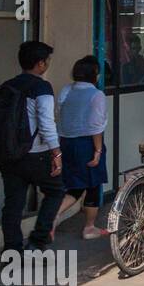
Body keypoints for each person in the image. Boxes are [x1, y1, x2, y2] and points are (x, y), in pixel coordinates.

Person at [0, 40, 65, 251]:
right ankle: (38, 240)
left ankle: (11, 251)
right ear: (41, 64)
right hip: (36, 154)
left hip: (9, 154)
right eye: (47, 61)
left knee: (13, 203)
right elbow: (46, 123)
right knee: (55, 190)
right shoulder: (41, 87)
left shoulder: (7, 86)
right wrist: (56, 153)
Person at [56, 55, 109, 240]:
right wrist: (98, 151)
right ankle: (89, 228)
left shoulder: (66, 91)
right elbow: (96, 127)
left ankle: (53, 216)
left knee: (74, 186)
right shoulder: (96, 95)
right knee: (93, 186)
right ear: (95, 74)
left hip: (66, 142)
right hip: (87, 144)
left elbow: (61, 116)